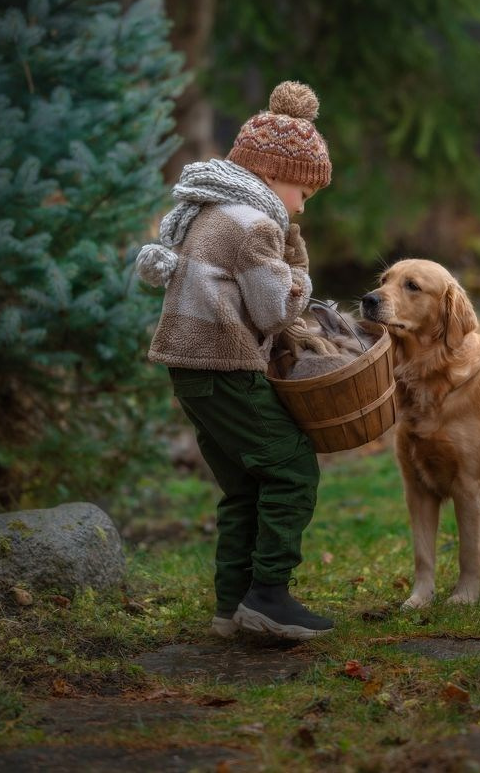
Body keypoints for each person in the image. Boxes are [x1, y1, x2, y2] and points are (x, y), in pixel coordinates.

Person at [135, 81, 333, 640]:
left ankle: (231, 608)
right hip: (223, 365)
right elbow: (274, 312)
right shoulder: (254, 224)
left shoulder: (213, 211)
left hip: (190, 368)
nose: (304, 203)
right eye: (304, 190)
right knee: (292, 466)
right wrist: (299, 271)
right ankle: (269, 597)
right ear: (274, 174)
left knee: (245, 485)